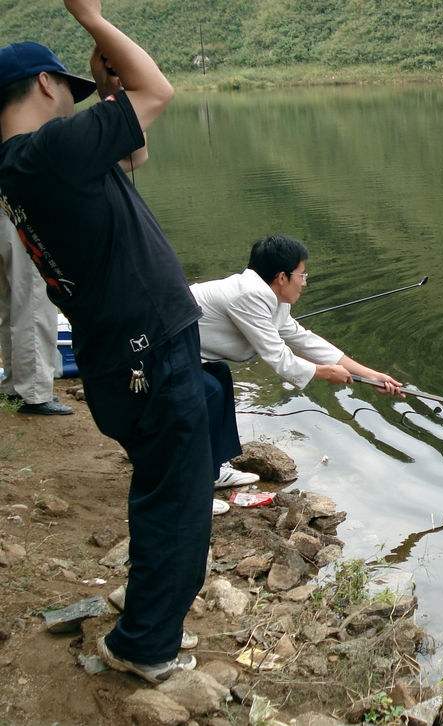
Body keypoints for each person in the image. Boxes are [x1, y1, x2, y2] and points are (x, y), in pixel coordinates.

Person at [0, 1, 210, 683]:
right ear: (42, 86)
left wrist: (112, 89)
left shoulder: (28, 165)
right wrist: (90, 17)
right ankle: (145, 646)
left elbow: (136, 148)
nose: (74, 97)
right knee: (177, 502)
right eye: (69, 86)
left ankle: (142, 621)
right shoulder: (49, 153)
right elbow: (161, 93)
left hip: (124, 352)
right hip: (146, 350)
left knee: (162, 488)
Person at [190, 234, 403, 399]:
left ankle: (208, 456)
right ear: (282, 277)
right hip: (164, 350)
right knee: (209, 392)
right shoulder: (250, 295)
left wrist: (369, 375)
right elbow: (278, 356)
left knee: (218, 385)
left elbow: (304, 340)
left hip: (192, 356)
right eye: (302, 275)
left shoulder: (273, 298)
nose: (304, 282)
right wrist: (326, 373)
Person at [0, 214, 71, 414]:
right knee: (33, 304)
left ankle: (14, 385)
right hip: (18, 216)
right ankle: (34, 393)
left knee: (10, 305)